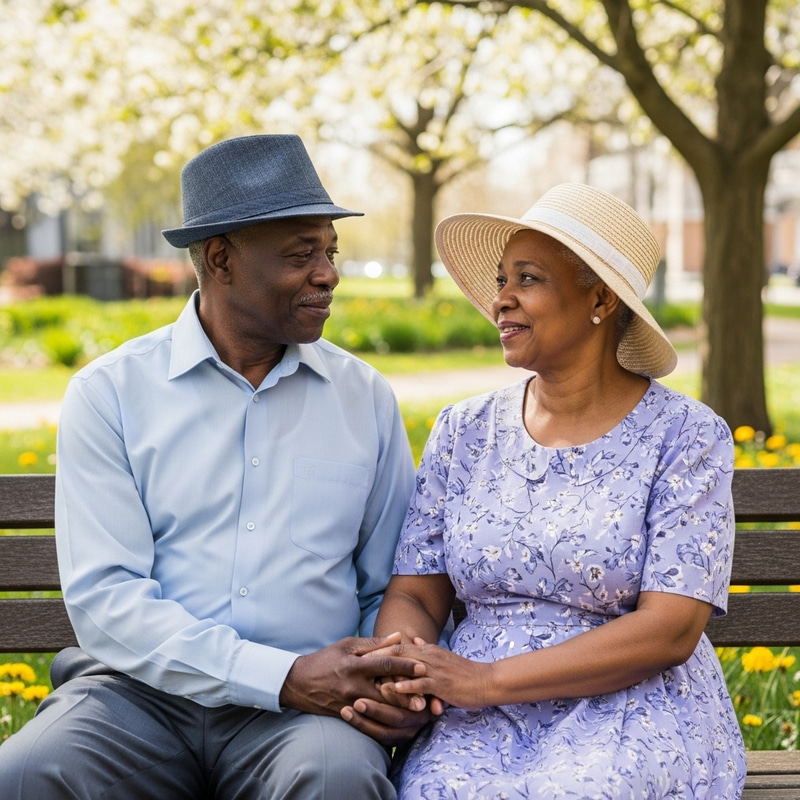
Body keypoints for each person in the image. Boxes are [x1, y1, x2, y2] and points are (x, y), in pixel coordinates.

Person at [0, 134, 428, 799]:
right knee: (27, 774)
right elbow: (108, 601)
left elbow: (387, 583)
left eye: (330, 251)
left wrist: (382, 676)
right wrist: (278, 673)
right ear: (221, 259)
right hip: (137, 698)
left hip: (306, 713)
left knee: (337, 778)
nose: (328, 273)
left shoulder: (362, 397)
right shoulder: (110, 393)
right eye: (301, 254)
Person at [344, 183, 747, 798]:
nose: (499, 300)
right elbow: (418, 595)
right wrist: (409, 666)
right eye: (502, 279)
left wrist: (484, 680)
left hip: (628, 710)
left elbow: (669, 629)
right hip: (476, 720)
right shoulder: (464, 430)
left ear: (601, 298)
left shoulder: (686, 436)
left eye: (526, 280)